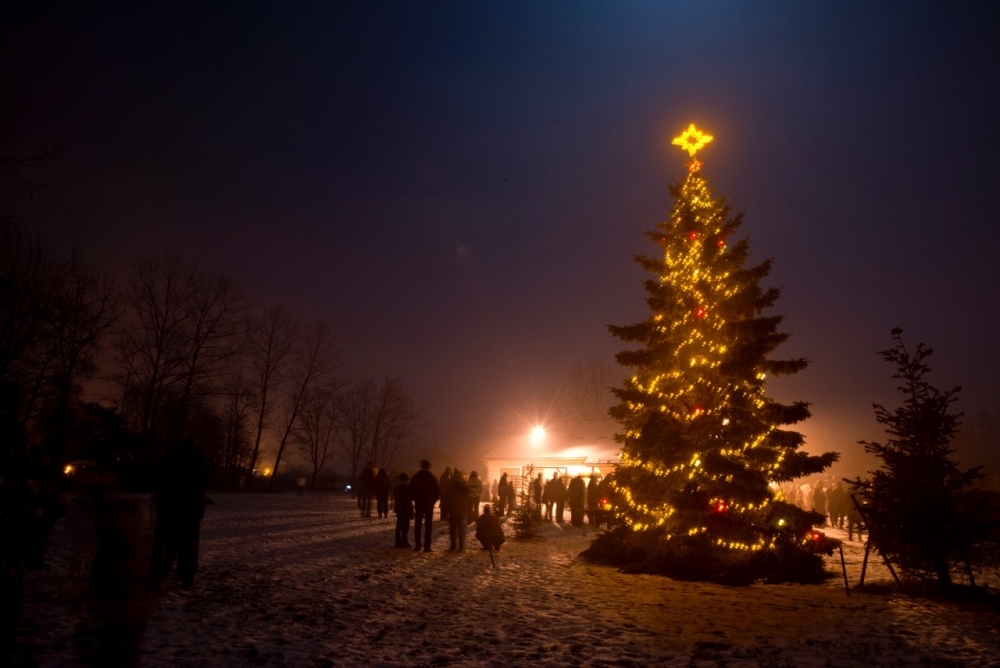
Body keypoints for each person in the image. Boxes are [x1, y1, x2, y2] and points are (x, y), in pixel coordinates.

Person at [149, 439, 207, 590]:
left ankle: (168, 574)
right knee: (183, 548)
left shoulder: (176, 467)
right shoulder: (193, 468)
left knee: (172, 546)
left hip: (175, 513)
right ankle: (180, 576)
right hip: (183, 514)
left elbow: (157, 483)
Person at [408, 460, 439, 552]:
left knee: (418, 524)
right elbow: (437, 491)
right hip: (428, 503)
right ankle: (427, 545)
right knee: (428, 525)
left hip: (419, 503)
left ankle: (418, 545)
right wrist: (433, 501)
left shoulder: (416, 477)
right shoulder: (432, 477)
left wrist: (415, 499)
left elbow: (411, 489)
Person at [444, 470, 469, 551]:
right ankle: (461, 546)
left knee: (453, 529)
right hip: (461, 510)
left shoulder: (451, 487)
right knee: (461, 529)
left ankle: (453, 546)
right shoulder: (463, 487)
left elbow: (447, 498)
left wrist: (447, 508)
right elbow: (467, 498)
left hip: (452, 510)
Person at [393, 473, 413, 548]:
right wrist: (410, 511)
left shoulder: (397, 489)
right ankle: (404, 541)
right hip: (405, 510)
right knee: (405, 527)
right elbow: (407, 501)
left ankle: (398, 541)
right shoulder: (406, 489)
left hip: (399, 509)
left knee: (399, 526)